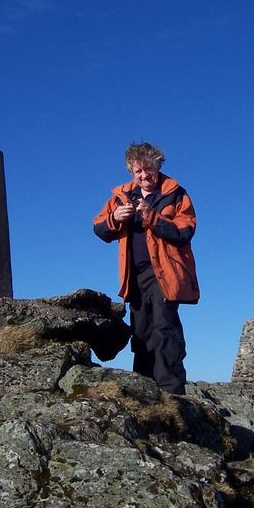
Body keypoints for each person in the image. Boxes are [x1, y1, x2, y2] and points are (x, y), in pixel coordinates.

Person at [93, 142, 199, 395]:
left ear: (158, 165)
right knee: (141, 331)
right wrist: (115, 218)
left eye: (148, 169)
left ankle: (171, 390)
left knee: (165, 328)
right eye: (138, 171)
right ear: (132, 171)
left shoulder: (175, 193)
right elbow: (98, 229)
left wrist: (151, 216)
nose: (144, 176)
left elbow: (185, 232)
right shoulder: (121, 195)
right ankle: (144, 387)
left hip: (166, 272)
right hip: (134, 275)